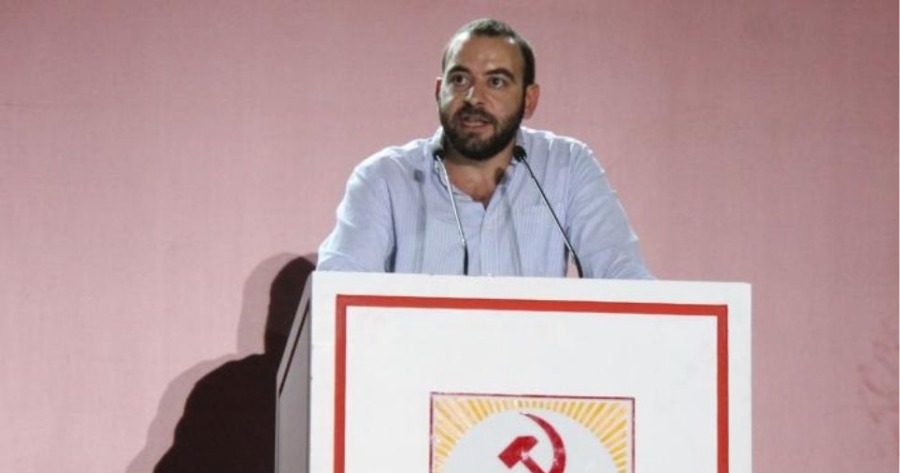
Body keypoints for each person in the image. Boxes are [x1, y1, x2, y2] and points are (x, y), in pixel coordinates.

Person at [317, 18, 652, 279]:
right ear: (438, 91)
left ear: (529, 100)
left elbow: (624, 279)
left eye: (496, 82)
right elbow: (339, 291)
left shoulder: (566, 166)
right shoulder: (384, 178)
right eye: (459, 80)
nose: (474, 98)